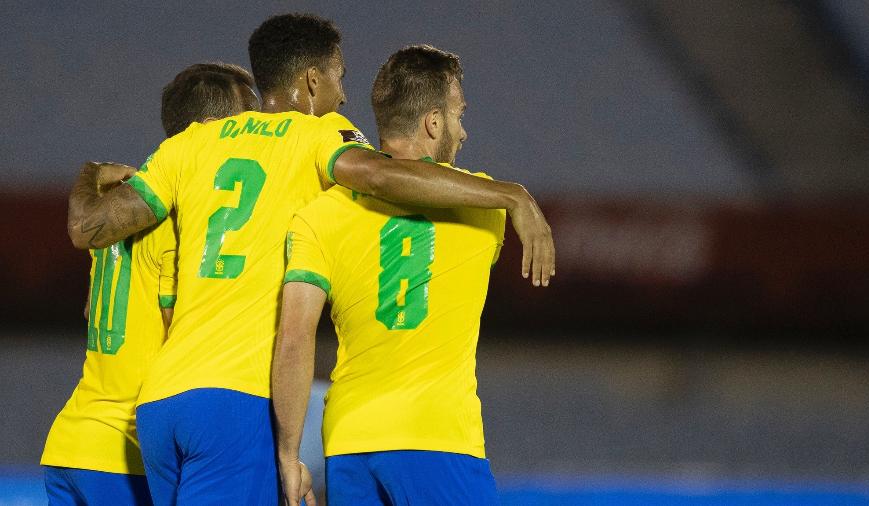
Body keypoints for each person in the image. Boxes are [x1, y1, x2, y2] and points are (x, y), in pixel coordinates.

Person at [66, 13, 554, 506]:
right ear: (313, 80)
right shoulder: (318, 136)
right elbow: (386, 177)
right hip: (238, 399)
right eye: (339, 77)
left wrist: (89, 173)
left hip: (161, 405)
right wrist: (508, 196)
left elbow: (86, 229)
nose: (344, 95)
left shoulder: (191, 144)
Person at [274, 45, 507, 506]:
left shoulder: (319, 216)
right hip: (438, 438)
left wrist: (290, 452)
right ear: (433, 122)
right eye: (459, 115)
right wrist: (516, 197)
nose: (463, 130)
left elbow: (294, 339)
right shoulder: (486, 210)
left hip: (349, 442)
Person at [41, 62, 259, 506]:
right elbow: (176, 325)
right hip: (123, 453)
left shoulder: (120, 211)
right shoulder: (177, 217)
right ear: (215, 127)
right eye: (250, 119)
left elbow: (91, 311)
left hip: (71, 440)